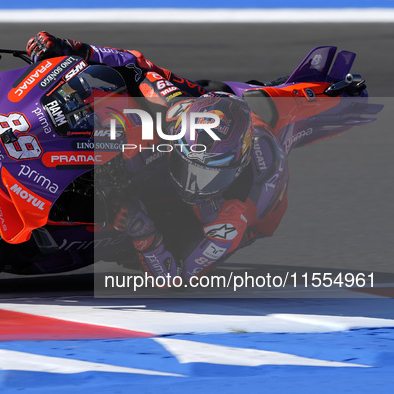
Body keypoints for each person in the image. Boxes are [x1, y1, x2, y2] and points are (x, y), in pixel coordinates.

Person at [26, 31, 289, 282]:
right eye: (188, 166)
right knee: (118, 105)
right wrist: (72, 48)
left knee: (158, 232)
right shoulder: (176, 109)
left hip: (220, 217)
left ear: (235, 169)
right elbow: (135, 65)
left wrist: (143, 232)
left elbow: (175, 278)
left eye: (205, 175)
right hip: (210, 108)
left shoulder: (232, 218)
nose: (192, 183)